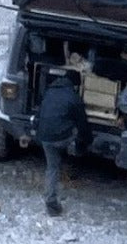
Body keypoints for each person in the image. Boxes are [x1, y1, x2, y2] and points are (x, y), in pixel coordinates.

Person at [36, 74, 90, 216]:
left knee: (52, 168)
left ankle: (51, 202)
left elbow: (39, 115)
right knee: (76, 131)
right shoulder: (73, 98)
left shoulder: (48, 93)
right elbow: (83, 124)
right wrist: (86, 142)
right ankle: (74, 153)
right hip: (62, 138)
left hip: (44, 137)